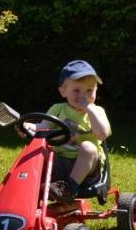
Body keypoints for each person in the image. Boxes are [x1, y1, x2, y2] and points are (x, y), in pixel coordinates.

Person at [35, 59, 111, 202]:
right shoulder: (58, 109)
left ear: (96, 90)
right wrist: (28, 127)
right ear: (63, 91)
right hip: (58, 163)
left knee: (88, 147)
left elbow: (102, 133)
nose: (83, 95)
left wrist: (89, 109)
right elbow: (41, 127)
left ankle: (68, 189)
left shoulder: (97, 111)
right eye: (76, 90)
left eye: (89, 90)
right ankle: (29, 184)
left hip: (87, 169)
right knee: (38, 150)